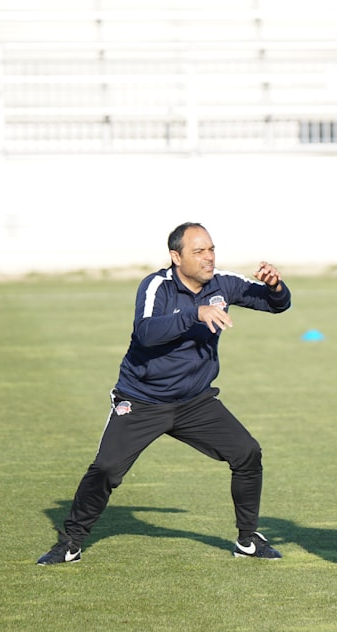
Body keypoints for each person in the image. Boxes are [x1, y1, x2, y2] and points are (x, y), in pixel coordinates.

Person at [37, 222, 292, 565]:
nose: (208, 258)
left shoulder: (223, 283)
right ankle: (70, 542)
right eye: (198, 251)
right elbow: (145, 332)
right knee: (107, 469)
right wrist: (194, 313)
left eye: (211, 249)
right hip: (142, 401)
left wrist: (275, 286)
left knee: (247, 453)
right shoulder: (156, 286)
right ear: (176, 257)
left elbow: (277, 305)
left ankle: (248, 539)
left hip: (195, 402)